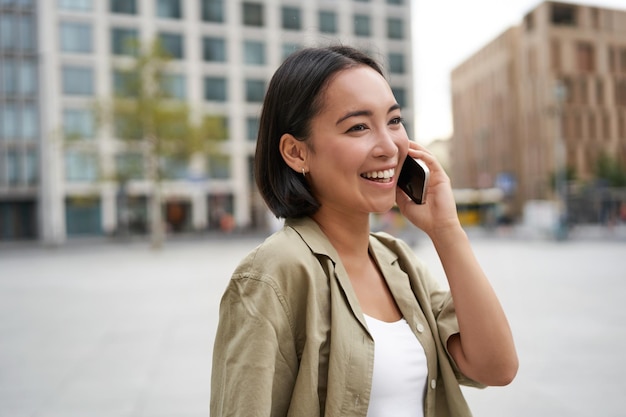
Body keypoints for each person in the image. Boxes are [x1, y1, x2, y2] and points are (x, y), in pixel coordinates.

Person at [210, 45, 518, 417]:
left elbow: (496, 367)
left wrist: (446, 230)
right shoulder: (271, 276)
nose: (389, 146)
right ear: (296, 152)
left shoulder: (398, 263)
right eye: (358, 126)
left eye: (393, 120)